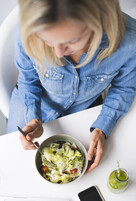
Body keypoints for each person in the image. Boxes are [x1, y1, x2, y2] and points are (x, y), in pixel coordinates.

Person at [7, 0, 136, 173]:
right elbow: (28, 79)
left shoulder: (130, 41)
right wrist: (33, 117)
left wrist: (102, 128)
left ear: (99, 20)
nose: (58, 53)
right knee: (13, 162)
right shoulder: (27, 31)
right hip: (33, 100)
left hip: (85, 107)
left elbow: (124, 88)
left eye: (72, 40)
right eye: (47, 40)